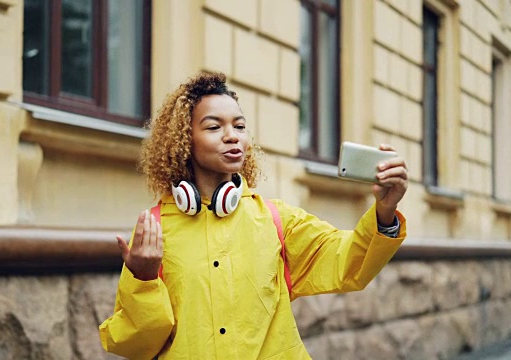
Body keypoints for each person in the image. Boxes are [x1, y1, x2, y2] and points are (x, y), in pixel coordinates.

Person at [99, 72, 408, 359]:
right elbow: (138, 344)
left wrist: (385, 210)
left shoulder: (276, 220)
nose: (232, 136)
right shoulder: (154, 231)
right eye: (213, 126)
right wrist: (143, 278)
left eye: (240, 126)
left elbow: (349, 262)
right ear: (184, 140)